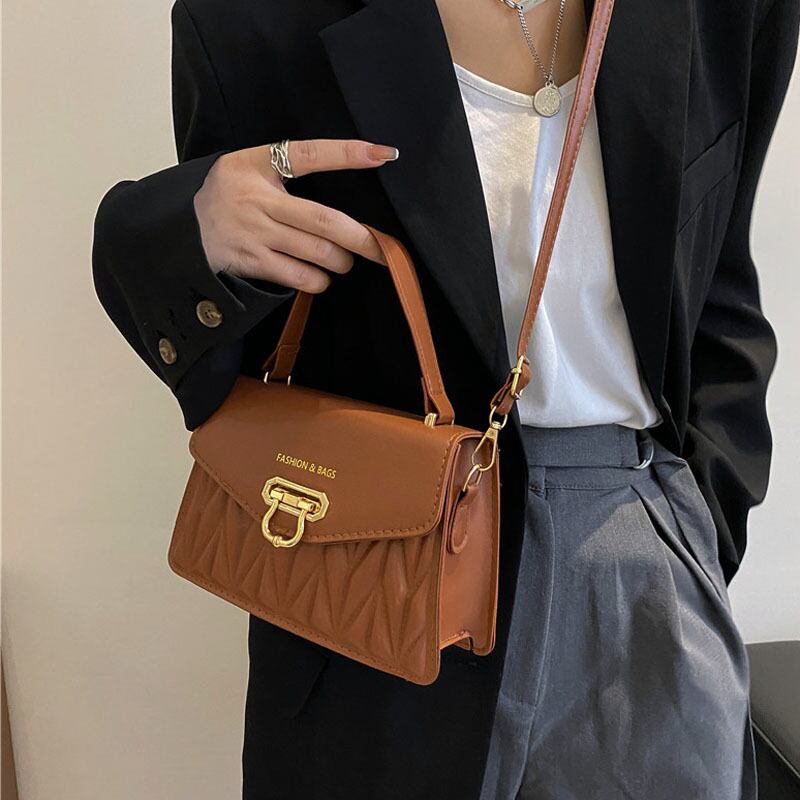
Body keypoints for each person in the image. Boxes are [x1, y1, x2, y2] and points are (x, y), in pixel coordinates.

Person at [91, 0, 800, 797]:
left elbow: (720, 283)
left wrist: (698, 530)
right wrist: (197, 229)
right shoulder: (254, 18)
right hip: (380, 584)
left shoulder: (724, 11)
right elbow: (237, 369)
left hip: (646, 575)